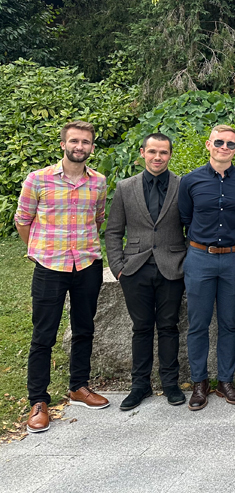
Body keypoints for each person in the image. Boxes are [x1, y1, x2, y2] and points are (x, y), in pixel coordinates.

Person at [16, 121, 110, 433]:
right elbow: (23, 219)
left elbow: (98, 219)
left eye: (85, 142)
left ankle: (78, 387)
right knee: (44, 335)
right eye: (74, 141)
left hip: (86, 265)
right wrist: (38, 250)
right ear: (63, 145)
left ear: (92, 147)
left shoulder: (98, 182)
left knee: (84, 328)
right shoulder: (38, 179)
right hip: (50, 267)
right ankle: (39, 401)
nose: (80, 146)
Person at [104, 133, 187, 411]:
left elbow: (193, 226)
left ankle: (170, 383)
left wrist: (185, 262)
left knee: (168, 326)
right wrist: (118, 267)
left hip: (172, 267)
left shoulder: (182, 185)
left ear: (170, 155)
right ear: (142, 153)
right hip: (135, 269)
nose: (157, 157)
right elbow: (114, 230)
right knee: (140, 328)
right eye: (152, 151)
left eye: (163, 152)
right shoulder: (126, 187)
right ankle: (139, 385)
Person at [178, 124, 235, 410]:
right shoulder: (190, 181)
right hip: (200, 258)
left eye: (230, 144)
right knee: (198, 323)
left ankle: (225, 381)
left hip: (233, 259)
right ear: (208, 145)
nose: (224, 147)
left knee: (229, 323)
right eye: (219, 142)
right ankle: (199, 383)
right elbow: (185, 217)